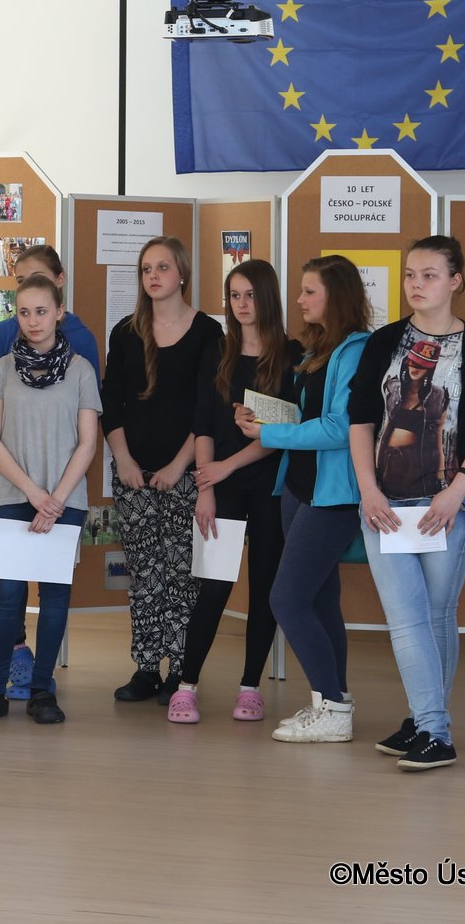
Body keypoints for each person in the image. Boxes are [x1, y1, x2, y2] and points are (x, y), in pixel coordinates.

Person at [348, 236, 465, 771]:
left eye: (430, 275)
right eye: (410, 275)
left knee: (437, 616)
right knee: (407, 618)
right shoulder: (384, 342)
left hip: (447, 507)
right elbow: (360, 419)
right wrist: (368, 489)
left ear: (455, 281)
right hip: (386, 506)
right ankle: (434, 729)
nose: (416, 285)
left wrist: (458, 490)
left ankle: (425, 723)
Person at [236, 255, 372, 742]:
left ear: (336, 295)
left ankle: (332, 707)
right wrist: (260, 419)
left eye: (309, 291)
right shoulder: (318, 347)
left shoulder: (356, 350)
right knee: (320, 599)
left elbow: (339, 428)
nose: (299, 300)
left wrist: (269, 433)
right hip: (298, 489)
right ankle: (334, 700)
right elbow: (303, 416)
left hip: (331, 497)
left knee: (287, 599)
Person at [0, 273, 100, 725]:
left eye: (42, 311)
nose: (33, 320)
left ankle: (42, 690)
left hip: (65, 499)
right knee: (7, 595)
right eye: (24, 312)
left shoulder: (81, 370)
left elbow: (87, 443)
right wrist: (35, 493)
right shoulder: (3, 369)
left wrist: (55, 499)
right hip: (13, 495)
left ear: (59, 312)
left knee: (55, 596)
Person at [168, 259, 299, 724]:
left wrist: (226, 467)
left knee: (265, 587)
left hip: (269, 487)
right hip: (219, 486)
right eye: (234, 295)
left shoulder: (293, 354)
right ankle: (186, 687)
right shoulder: (218, 351)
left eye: (250, 295)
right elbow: (203, 422)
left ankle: (250, 688)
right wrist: (206, 485)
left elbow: (283, 431)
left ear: (268, 297)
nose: (242, 304)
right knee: (212, 586)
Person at [101, 237, 223, 703]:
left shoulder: (208, 333)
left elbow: (207, 411)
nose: (153, 276)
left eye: (163, 267)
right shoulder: (125, 332)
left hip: (186, 475)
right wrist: (124, 459)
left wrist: (177, 466)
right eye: (146, 269)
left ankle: (181, 671)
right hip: (133, 475)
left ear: (183, 273)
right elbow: (111, 401)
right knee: (144, 573)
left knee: (182, 575)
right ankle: (147, 667)